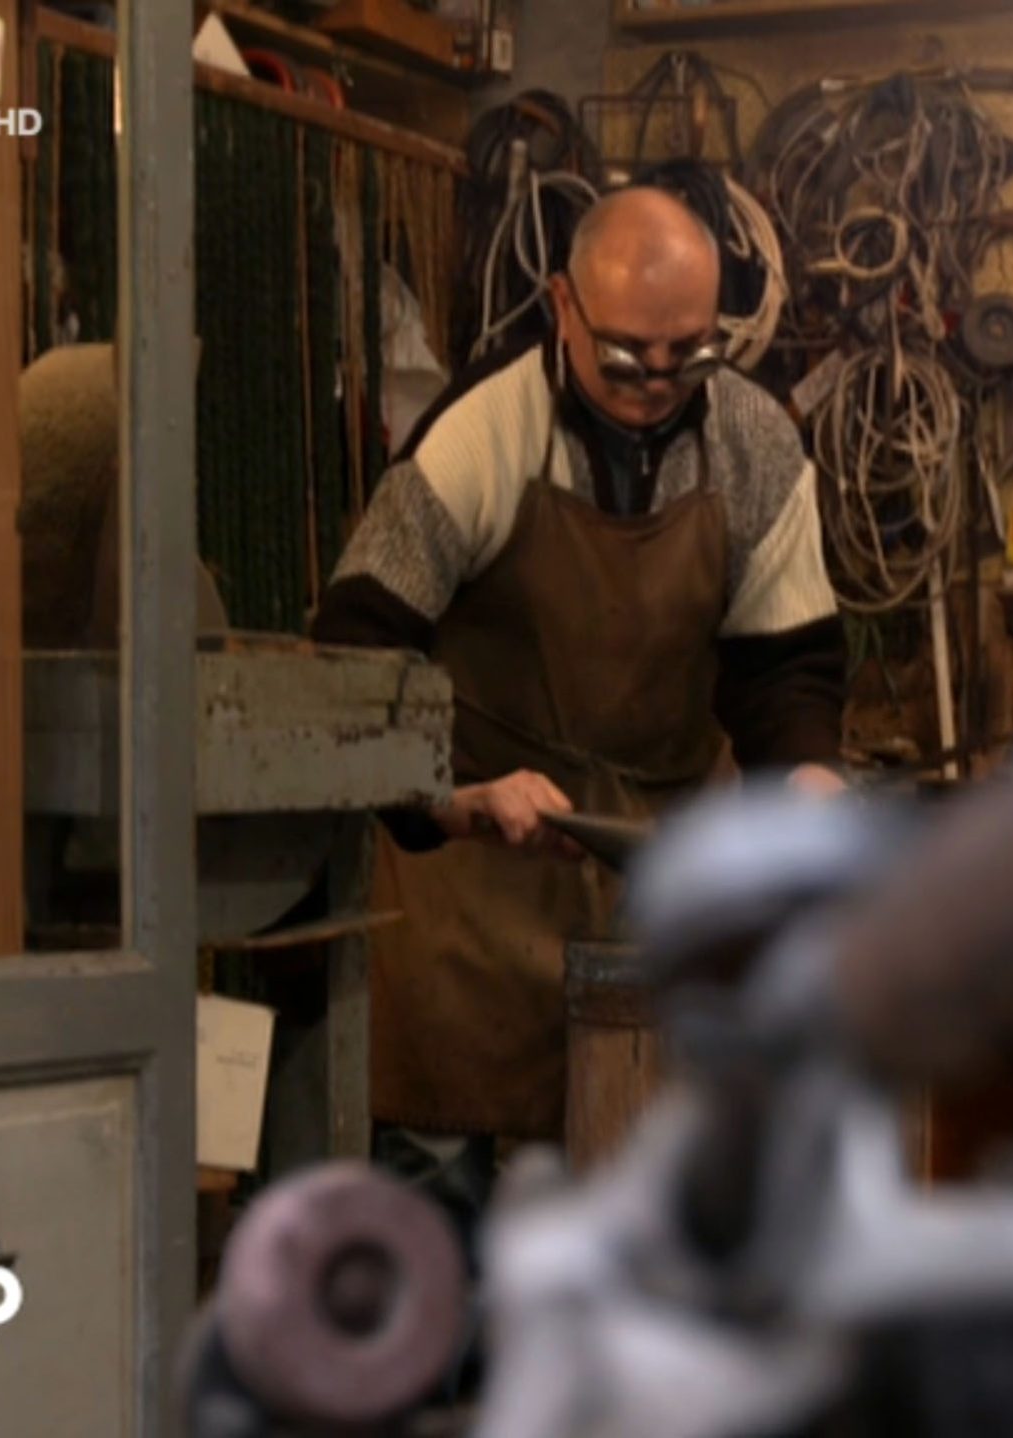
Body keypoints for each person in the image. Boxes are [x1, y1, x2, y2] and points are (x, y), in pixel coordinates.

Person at [313, 185, 846, 1218]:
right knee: (440, 1219)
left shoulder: (754, 445)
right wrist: (458, 797)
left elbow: (786, 669)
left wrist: (809, 777)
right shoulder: (481, 431)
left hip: (654, 881)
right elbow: (355, 650)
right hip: (472, 885)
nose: (657, 382)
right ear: (564, 305)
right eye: (625, 355)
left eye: (689, 354)